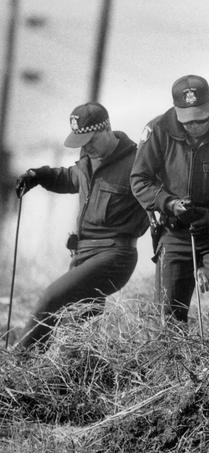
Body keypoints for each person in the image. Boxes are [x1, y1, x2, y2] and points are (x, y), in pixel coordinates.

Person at [15, 102, 149, 350]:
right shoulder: (88, 157)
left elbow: (158, 201)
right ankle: (69, 376)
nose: (85, 147)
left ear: (106, 129)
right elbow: (71, 177)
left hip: (114, 254)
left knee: (51, 297)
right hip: (82, 253)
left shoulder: (138, 161)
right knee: (78, 327)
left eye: (89, 140)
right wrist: (38, 175)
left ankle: (19, 362)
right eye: (81, 143)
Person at [130, 74, 209, 344]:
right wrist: (168, 202)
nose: (195, 126)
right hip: (174, 231)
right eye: (188, 121)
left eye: (201, 118)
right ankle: (176, 369)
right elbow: (139, 180)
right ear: (176, 111)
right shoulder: (158, 131)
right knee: (169, 315)